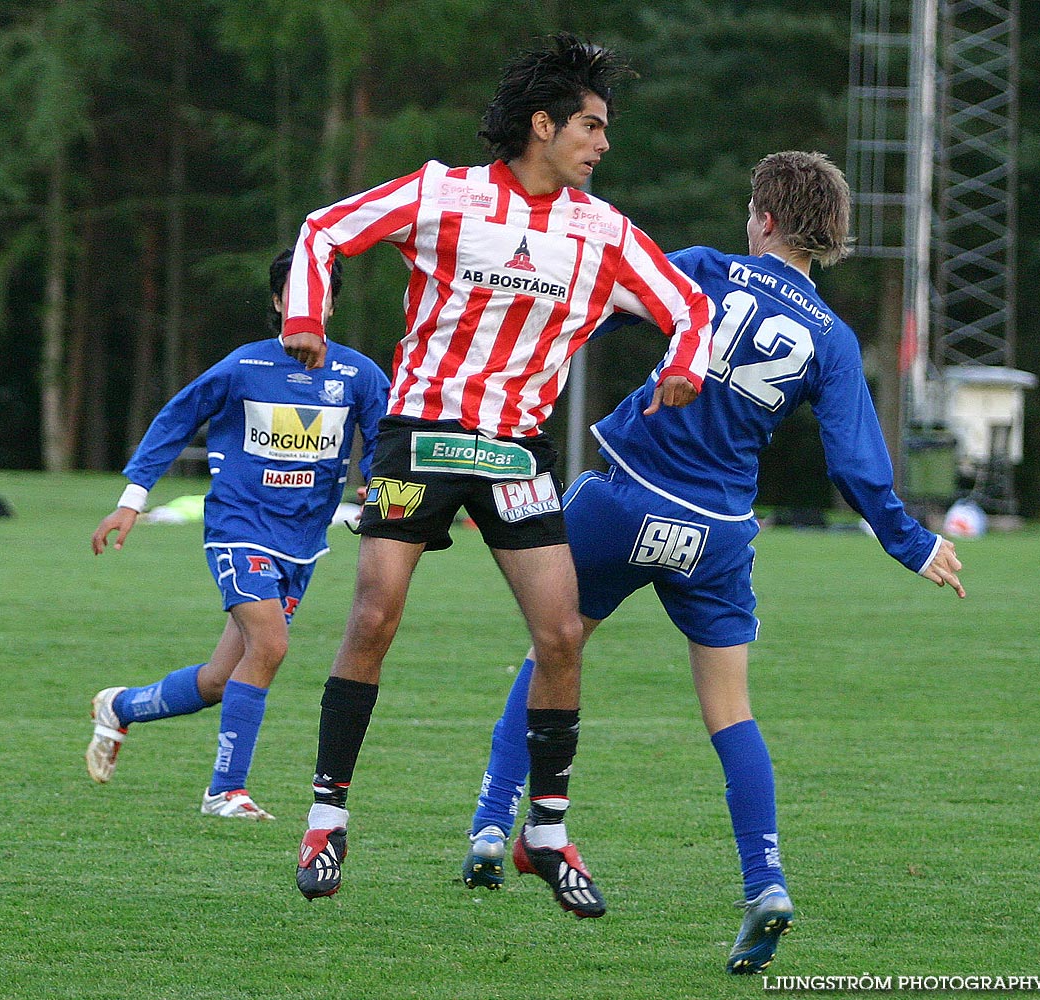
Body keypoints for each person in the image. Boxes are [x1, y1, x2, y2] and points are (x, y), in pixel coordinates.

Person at [460, 150, 965, 970]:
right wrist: (913, 543)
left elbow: (601, 304)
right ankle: (766, 883)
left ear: (763, 219)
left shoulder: (706, 271)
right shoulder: (831, 340)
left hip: (624, 496)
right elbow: (855, 464)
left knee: (554, 649)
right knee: (731, 711)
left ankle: (491, 825)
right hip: (718, 534)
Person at [283, 33, 715, 917]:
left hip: (515, 452)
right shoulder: (446, 193)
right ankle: (327, 819)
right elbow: (322, 232)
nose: (603, 144)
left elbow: (691, 306)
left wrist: (687, 364)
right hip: (421, 437)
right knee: (374, 616)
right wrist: (305, 316)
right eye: (590, 126)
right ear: (542, 124)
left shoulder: (603, 232)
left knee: (561, 636)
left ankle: (545, 835)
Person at [86, 249, 389, 819]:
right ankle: (225, 790)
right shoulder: (244, 367)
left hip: (303, 541)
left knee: (222, 678)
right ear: (279, 303)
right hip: (239, 528)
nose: (309, 304)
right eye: (296, 294)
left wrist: (377, 487)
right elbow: (176, 419)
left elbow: (382, 439)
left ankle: (120, 707)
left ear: (330, 302)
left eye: (320, 293)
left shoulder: (358, 374)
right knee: (271, 646)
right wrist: (132, 501)